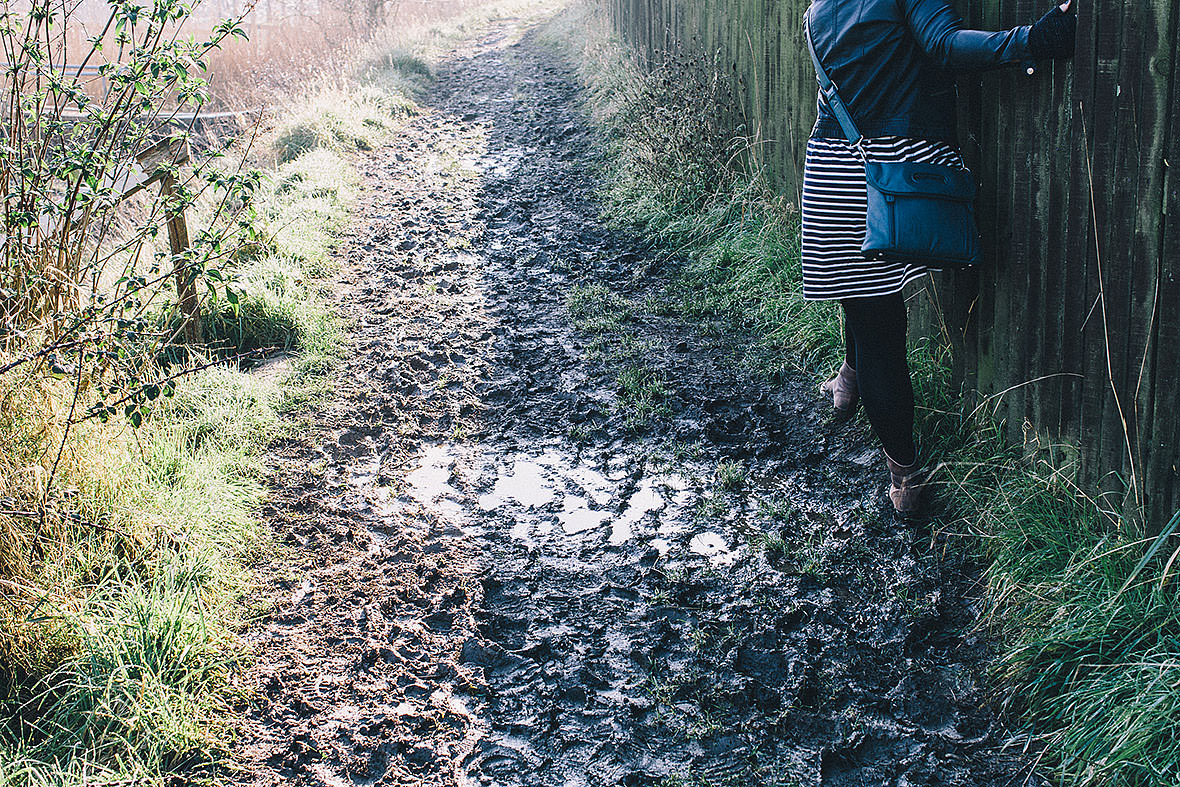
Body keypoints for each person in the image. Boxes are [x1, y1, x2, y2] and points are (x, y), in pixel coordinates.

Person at [803, 0, 1076, 514]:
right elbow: (945, 45)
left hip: (827, 172)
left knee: (860, 296)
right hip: (886, 174)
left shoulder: (818, 7)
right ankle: (905, 479)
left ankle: (848, 381)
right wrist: (1032, 40)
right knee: (884, 336)